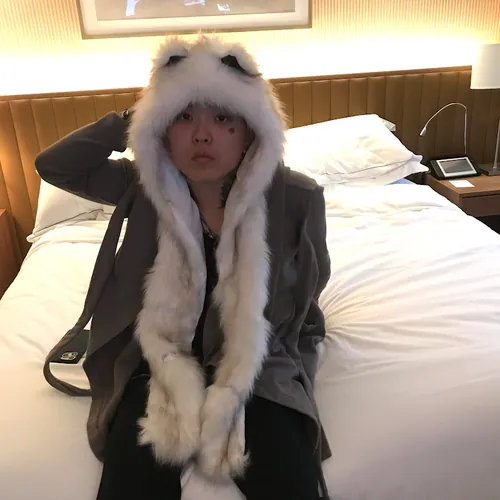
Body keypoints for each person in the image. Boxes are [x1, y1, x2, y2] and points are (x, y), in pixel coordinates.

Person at [39, 35, 331, 500]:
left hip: (253, 361)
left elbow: (310, 287)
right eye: (182, 117)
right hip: (158, 358)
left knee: (290, 480)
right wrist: (136, 117)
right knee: (130, 483)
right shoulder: (142, 187)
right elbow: (55, 166)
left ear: (251, 129)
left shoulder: (297, 198)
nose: (202, 135)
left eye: (223, 118)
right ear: (160, 129)